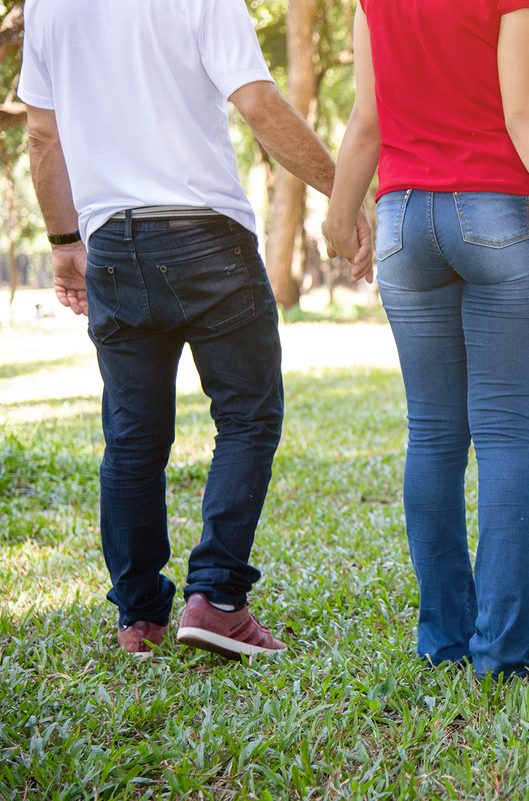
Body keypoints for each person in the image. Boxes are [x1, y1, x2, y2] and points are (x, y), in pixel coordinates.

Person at [21, 0, 371, 659]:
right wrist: (344, 191)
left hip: (112, 244)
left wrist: (65, 242)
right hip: (207, 238)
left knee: (132, 436)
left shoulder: (45, 5)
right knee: (247, 417)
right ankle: (217, 598)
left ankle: (139, 617)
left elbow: (43, 135)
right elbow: (259, 103)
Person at [323, 1, 529, 680]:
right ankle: (504, 658)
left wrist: (340, 214)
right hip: (499, 211)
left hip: (403, 220)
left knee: (431, 435)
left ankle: (443, 641)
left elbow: (367, 121)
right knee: (504, 432)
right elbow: (525, 114)